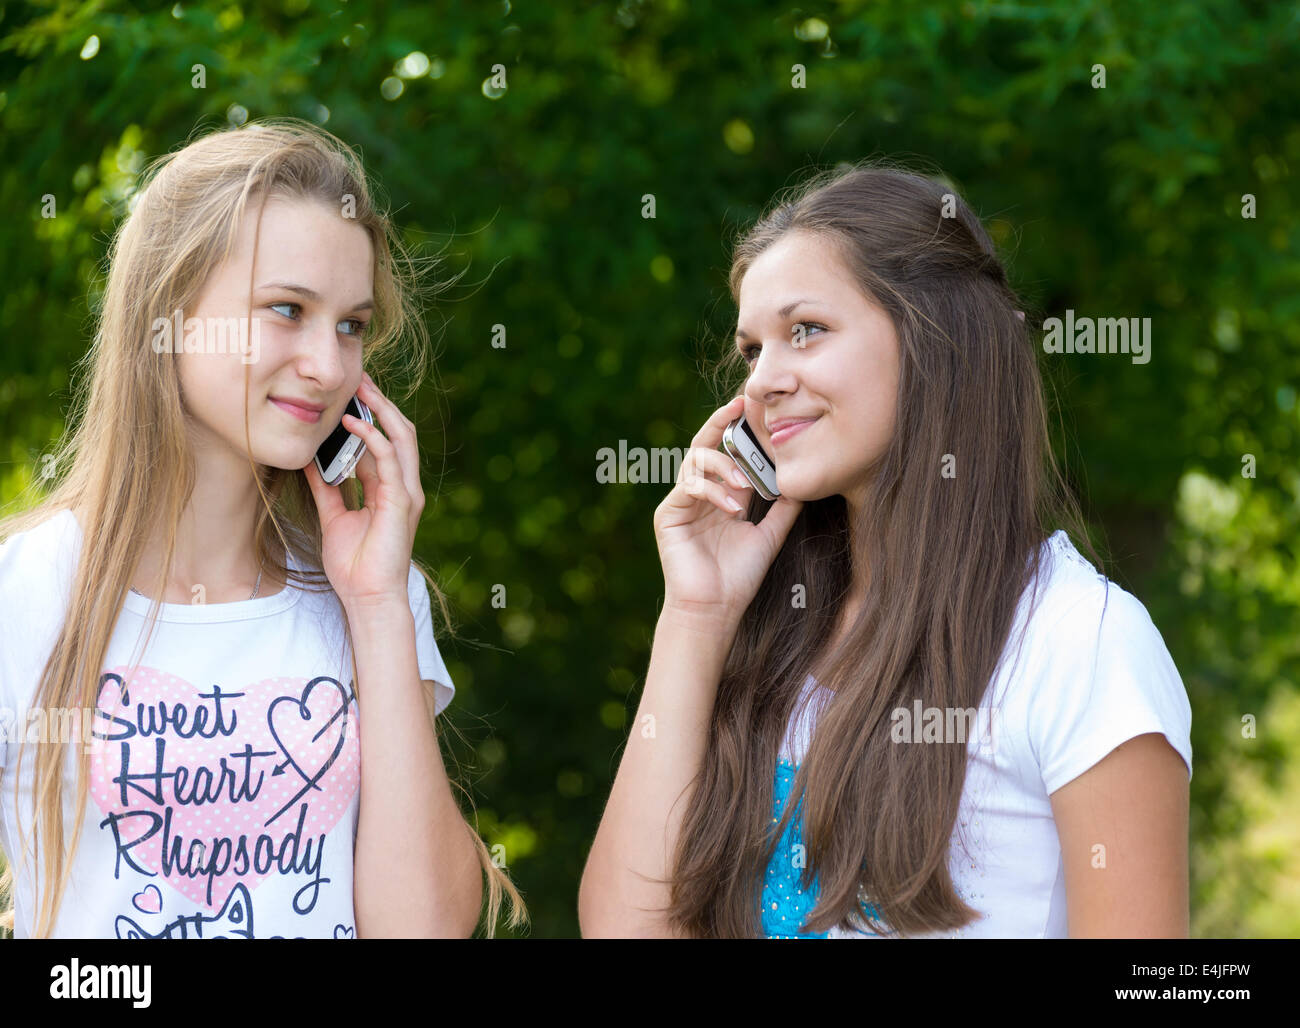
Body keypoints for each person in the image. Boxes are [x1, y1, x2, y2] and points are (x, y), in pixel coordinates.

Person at [579, 162, 1192, 938]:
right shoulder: (771, 630)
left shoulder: (1079, 642)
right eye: (751, 349)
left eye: (806, 331)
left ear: (937, 341)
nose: (762, 381)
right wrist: (695, 615)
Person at [0, 117, 525, 939]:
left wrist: (380, 604)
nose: (327, 364)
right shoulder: (22, 594)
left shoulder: (372, 598)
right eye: (287, 309)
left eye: (352, 325)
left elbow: (422, 929)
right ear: (168, 312)